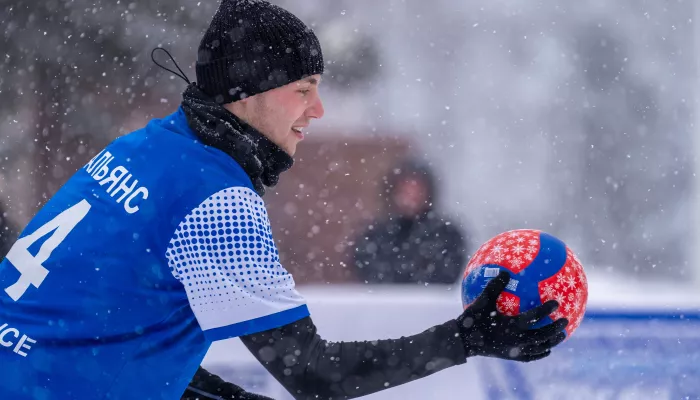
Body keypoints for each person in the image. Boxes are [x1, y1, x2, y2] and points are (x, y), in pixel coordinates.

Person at [0, 1, 568, 399]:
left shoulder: (147, 149)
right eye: (304, 89)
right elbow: (317, 377)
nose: (316, 111)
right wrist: (466, 338)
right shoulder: (214, 197)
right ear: (247, 92)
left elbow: (100, 336)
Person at [353, 159, 468, 284]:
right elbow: (369, 273)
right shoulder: (374, 236)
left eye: (417, 190)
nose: (410, 197)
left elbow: (447, 275)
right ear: (392, 193)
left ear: (428, 193)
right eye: (405, 190)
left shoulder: (446, 235)